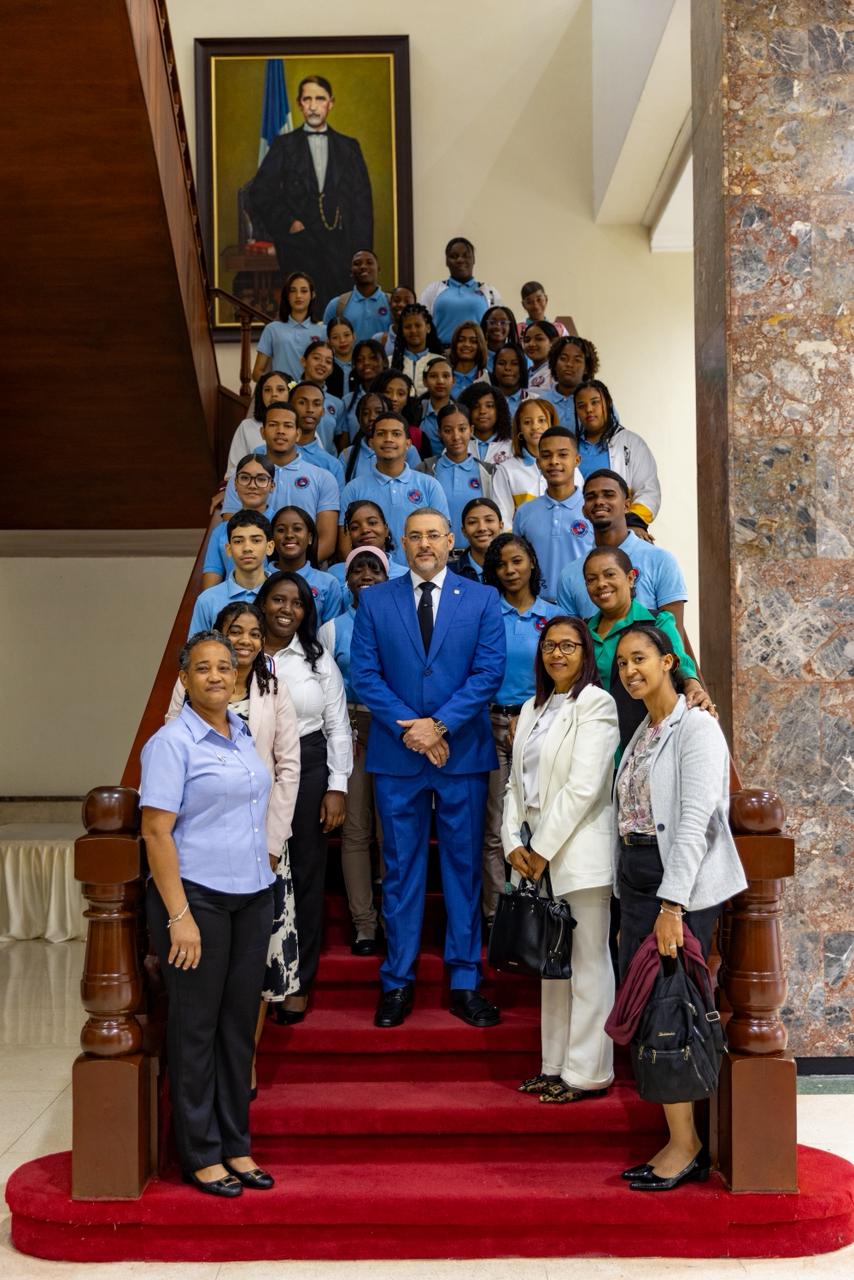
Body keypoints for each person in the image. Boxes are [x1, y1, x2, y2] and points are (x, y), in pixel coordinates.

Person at [350, 508, 506, 1029]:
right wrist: (409, 729)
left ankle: (465, 981)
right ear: (400, 543)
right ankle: (397, 981)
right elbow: (365, 676)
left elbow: (488, 673)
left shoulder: (481, 598)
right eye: (414, 536)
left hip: (461, 752)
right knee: (399, 871)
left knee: (463, 870)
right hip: (398, 756)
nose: (424, 544)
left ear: (450, 541)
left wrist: (438, 726)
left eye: (433, 535)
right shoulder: (375, 599)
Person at [141, 630, 276, 1196]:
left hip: (253, 895)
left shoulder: (242, 733)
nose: (217, 676)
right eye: (204, 668)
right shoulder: (171, 744)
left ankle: (236, 1145)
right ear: (185, 678)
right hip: (196, 898)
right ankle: (200, 1153)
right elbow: (155, 830)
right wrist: (179, 916)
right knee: (195, 1028)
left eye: (226, 667)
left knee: (237, 1029)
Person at [612, 622, 746, 1189]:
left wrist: (673, 904)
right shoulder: (644, 730)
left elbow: (695, 821)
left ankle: (686, 1145)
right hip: (639, 883)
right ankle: (678, 1132)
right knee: (649, 1005)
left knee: (672, 1007)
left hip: (677, 889)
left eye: (640, 658)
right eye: (621, 664)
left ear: (670, 662)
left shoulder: (697, 729)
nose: (630, 671)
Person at [165, 604, 301, 1065]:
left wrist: (272, 843)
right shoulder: (188, 692)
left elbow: (288, 768)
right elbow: (171, 756)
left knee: (257, 967)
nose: (244, 640)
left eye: (253, 633)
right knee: (215, 974)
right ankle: (215, 1071)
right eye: (235, 632)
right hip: (205, 854)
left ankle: (245, 1065)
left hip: (263, 850)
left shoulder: (273, 689)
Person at [502, 617, 619, 1102]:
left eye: (568, 646)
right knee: (552, 966)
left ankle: (587, 1073)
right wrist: (513, 842)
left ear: (584, 653)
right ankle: (554, 1066)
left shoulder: (597, 704)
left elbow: (584, 787)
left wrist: (542, 849)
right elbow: (515, 784)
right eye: (550, 646)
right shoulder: (532, 707)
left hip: (577, 853)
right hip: (533, 855)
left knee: (588, 962)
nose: (558, 655)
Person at [255, 571, 352, 1021]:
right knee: (257, 876)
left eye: (295, 603)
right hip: (251, 771)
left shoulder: (317, 659)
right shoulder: (241, 652)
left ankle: (298, 980)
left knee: (307, 877)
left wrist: (337, 786)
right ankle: (255, 976)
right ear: (263, 603)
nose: (286, 609)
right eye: (277, 599)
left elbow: (337, 725)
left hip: (310, 767)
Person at [480, 533, 560, 920]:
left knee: (541, 819)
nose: (510, 570)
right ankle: (498, 914)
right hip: (489, 723)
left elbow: (563, 676)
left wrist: (527, 716)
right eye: (501, 564)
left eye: (517, 561)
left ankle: (542, 910)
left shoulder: (553, 614)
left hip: (539, 723)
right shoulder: (484, 611)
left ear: (531, 562)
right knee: (497, 825)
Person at [246, 76, 373, 308]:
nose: (313, 106)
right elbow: (260, 192)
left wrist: (361, 255)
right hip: (299, 249)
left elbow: (362, 204)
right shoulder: (284, 145)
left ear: (330, 103)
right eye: (308, 99)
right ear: (299, 104)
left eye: (320, 99)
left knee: (340, 317)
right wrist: (289, 222)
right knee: (305, 316)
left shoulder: (349, 147)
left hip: (340, 250)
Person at [319, 547, 390, 954]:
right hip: (352, 728)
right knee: (357, 831)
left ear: (386, 576)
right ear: (346, 581)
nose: (366, 575)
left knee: (391, 832)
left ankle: (392, 918)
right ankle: (364, 923)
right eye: (358, 569)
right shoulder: (332, 629)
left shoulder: (400, 621)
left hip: (394, 730)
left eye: (374, 569)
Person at [581, 546, 712, 750]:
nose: (601, 584)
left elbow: (679, 659)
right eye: (591, 579)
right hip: (591, 748)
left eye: (609, 574)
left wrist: (693, 685)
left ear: (631, 578)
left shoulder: (656, 621)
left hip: (643, 742)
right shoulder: (582, 632)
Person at [556, 471, 690, 639]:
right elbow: (572, 642)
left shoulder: (661, 561)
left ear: (627, 505)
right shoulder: (569, 574)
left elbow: (675, 636)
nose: (599, 501)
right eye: (591, 497)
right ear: (584, 510)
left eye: (609, 495)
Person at [221, 403, 339, 561]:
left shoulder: (323, 478)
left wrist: (294, 572)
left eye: (288, 425)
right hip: (254, 573)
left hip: (305, 573)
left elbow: (327, 541)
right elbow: (232, 532)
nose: (280, 431)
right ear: (262, 432)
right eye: (273, 424)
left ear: (298, 434)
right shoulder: (242, 478)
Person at [338, 411, 450, 565]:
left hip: (420, 576)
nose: (388, 439)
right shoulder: (353, 489)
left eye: (396, 434)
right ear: (371, 442)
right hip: (373, 578)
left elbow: (441, 537)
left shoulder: (429, 485)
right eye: (381, 434)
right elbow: (345, 542)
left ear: (408, 443)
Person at [513, 426, 593, 603]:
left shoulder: (592, 509)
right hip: (538, 610)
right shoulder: (524, 512)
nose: (554, 461)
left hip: (585, 608)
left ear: (577, 460)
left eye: (563, 455)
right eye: (547, 455)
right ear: (538, 462)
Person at [574, 379, 660, 534]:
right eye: (581, 406)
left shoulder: (631, 443)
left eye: (595, 402)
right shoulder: (571, 447)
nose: (589, 409)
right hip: (576, 532)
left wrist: (635, 523)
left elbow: (649, 489)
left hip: (618, 532)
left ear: (608, 403)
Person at [417, 403, 494, 547]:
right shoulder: (425, 470)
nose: (456, 436)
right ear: (439, 432)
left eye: (462, 429)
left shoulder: (489, 472)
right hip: (437, 556)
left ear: (471, 430)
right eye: (448, 430)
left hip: (478, 557)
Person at [189, 511, 274, 635]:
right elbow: (195, 651)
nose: (247, 548)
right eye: (238, 541)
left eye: (256, 540)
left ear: (269, 547)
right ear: (228, 549)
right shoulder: (208, 600)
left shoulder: (282, 595)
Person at [203, 455, 276, 589]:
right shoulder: (221, 531)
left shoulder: (281, 526)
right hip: (232, 605)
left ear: (272, 485)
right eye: (244, 478)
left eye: (261, 479)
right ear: (235, 484)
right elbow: (210, 588)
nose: (252, 485)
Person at [492, 398, 559, 529]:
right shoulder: (506, 470)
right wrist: (515, 548)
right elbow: (503, 518)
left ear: (552, 425)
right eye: (527, 422)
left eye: (542, 420)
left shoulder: (568, 467)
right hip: (522, 546)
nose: (535, 426)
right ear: (520, 429)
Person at [419, 238, 501, 345]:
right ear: (446, 261)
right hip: (441, 355)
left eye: (466, 256)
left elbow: (500, 327)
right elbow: (421, 324)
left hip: (478, 354)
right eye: (454, 256)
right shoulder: (433, 290)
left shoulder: (489, 292)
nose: (460, 260)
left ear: (474, 260)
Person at [269, 504, 344, 623]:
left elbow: (329, 634)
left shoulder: (328, 583)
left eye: (297, 529)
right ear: (272, 539)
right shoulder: (261, 578)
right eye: (281, 530)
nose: (289, 535)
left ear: (310, 537)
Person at [330, 499, 410, 604]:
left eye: (372, 523)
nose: (365, 530)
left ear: (386, 529)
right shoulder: (334, 575)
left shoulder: (405, 574)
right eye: (355, 527)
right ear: (349, 535)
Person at [251, 272, 325, 384]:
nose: (298, 295)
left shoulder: (323, 330)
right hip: (282, 397)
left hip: (313, 395)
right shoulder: (272, 329)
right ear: (286, 295)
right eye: (293, 290)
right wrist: (278, 386)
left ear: (312, 295)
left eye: (304, 291)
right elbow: (257, 373)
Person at [225, 370, 291, 479]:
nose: (274, 394)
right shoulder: (246, 427)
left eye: (280, 389)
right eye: (267, 390)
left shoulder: (300, 428)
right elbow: (233, 470)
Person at [323, 249, 390, 344]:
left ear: (378, 269)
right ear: (351, 272)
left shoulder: (391, 302)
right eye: (357, 264)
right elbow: (326, 343)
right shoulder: (337, 305)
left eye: (369, 262)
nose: (363, 266)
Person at [539, 336, 602, 430]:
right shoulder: (541, 403)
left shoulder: (600, 401)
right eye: (563, 358)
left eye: (577, 360)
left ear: (586, 368)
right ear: (554, 364)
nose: (569, 364)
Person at [290, 377, 346, 483]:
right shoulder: (265, 452)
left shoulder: (332, 465)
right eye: (302, 402)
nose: (310, 409)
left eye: (316, 404)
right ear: (290, 406)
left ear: (323, 411)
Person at [338, 339, 390, 445]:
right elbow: (344, 443)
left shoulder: (391, 397)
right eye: (360, 360)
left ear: (384, 361)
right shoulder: (347, 401)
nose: (366, 363)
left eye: (372, 358)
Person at [297, 347, 346, 452]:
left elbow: (339, 440)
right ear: (303, 361)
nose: (322, 364)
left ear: (332, 369)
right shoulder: (289, 395)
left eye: (328, 361)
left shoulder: (337, 403)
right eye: (316, 358)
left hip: (326, 464)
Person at [391, 302, 445, 394]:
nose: (413, 330)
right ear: (402, 331)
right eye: (408, 327)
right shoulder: (390, 362)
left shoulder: (440, 362)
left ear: (428, 328)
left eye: (418, 325)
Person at [457, 383, 513, 465]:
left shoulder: (513, 447)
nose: (482, 411)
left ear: (499, 410)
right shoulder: (456, 444)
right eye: (476, 406)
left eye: (489, 406)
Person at [450, 497, 504, 582]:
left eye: (489, 520)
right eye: (472, 522)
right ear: (464, 531)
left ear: (501, 525)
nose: (482, 528)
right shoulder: (449, 573)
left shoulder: (513, 569)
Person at [417, 355, 454, 454]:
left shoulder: (461, 412)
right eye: (433, 376)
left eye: (446, 376)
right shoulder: (416, 412)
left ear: (453, 380)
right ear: (425, 381)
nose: (440, 381)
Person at [372, 284, 416, 359]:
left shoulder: (419, 339)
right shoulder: (378, 339)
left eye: (407, 301)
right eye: (396, 300)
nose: (401, 304)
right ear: (390, 304)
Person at [448, 320, 489, 398]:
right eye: (461, 340)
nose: (466, 344)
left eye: (473, 341)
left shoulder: (488, 378)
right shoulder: (444, 377)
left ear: (480, 346)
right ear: (455, 344)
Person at [490, 343, 528, 418]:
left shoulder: (534, 399)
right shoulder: (484, 400)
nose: (507, 368)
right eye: (501, 363)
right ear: (494, 368)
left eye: (514, 364)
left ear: (522, 368)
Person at [481, 305, 523, 371]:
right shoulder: (478, 355)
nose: (498, 327)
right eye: (492, 322)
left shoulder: (520, 356)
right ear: (485, 325)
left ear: (510, 327)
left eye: (503, 323)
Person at [522, 320, 558, 392]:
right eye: (527, 340)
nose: (531, 344)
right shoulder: (523, 374)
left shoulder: (556, 374)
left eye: (539, 339)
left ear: (553, 342)